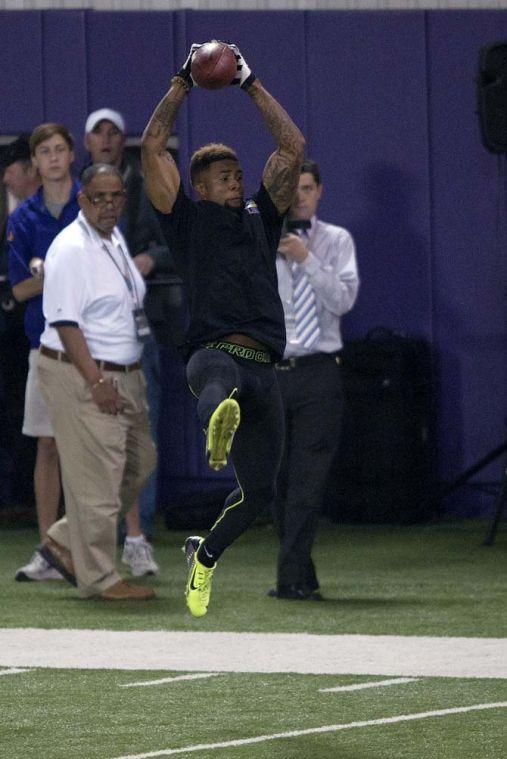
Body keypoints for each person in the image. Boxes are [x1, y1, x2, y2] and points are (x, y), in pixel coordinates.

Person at [141, 42, 305, 617]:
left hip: (265, 369)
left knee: (259, 493)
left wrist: (248, 81)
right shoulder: (185, 220)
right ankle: (218, 417)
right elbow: (153, 147)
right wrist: (182, 81)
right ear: (202, 187)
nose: (236, 181)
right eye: (224, 176)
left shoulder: (263, 214)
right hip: (213, 354)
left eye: (238, 173)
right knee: (216, 378)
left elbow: (292, 147)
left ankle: (203, 556)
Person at [36, 163, 157, 601]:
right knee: (100, 479)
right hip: (84, 372)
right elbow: (65, 322)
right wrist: (95, 381)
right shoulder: (70, 248)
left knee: (139, 461)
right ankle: (100, 578)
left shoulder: (113, 238)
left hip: (125, 371)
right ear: (82, 200)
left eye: (116, 196)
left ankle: (65, 540)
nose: (108, 205)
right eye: (99, 198)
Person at [83, 107, 173, 564]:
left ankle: (139, 530)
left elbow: (170, 243)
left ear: (123, 142)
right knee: (93, 435)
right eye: (97, 132)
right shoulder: (77, 200)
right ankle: (96, 528)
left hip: (137, 329)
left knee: (140, 428)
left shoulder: (144, 188)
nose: (105, 139)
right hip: (87, 335)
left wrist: (148, 260)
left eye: (112, 133)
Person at [269, 159, 359, 600]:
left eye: (306, 187)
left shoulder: (337, 240)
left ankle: (289, 578)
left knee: (309, 479)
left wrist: (306, 259)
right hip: (274, 373)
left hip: (320, 371)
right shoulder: (264, 242)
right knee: (277, 482)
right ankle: (300, 574)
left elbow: (342, 301)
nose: (300, 196)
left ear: (319, 190)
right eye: (292, 189)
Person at [7, 124, 80, 582]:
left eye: (59, 150)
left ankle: (89, 542)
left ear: (72, 155)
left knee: (91, 448)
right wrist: (56, 273)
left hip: (94, 343)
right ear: (34, 162)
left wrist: (50, 273)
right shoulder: (24, 218)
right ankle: (49, 549)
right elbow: (20, 288)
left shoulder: (92, 203)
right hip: (44, 344)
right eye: (44, 152)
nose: (52, 158)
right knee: (48, 445)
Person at [0, 135, 41, 511]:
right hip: (7, 330)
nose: (5, 178)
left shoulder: (46, 209)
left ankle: (28, 499)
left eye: (9, 170)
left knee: (31, 419)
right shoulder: (10, 209)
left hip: (31, 327)